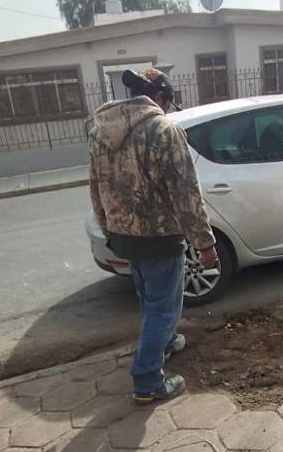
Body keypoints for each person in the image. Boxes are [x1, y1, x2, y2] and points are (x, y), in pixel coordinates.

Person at [88, 68, 218, 402]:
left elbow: (95, 188)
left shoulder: (100, 132)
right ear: (160, 98)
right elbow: (186, 193)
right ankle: (147, 380)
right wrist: (204, 244)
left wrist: (108, 230)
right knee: (163, 309)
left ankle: (166, 342)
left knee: (150, 300)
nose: (168, 110)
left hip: (122, 234)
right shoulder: (163, 130)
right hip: (159, 237)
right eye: (168, 104)